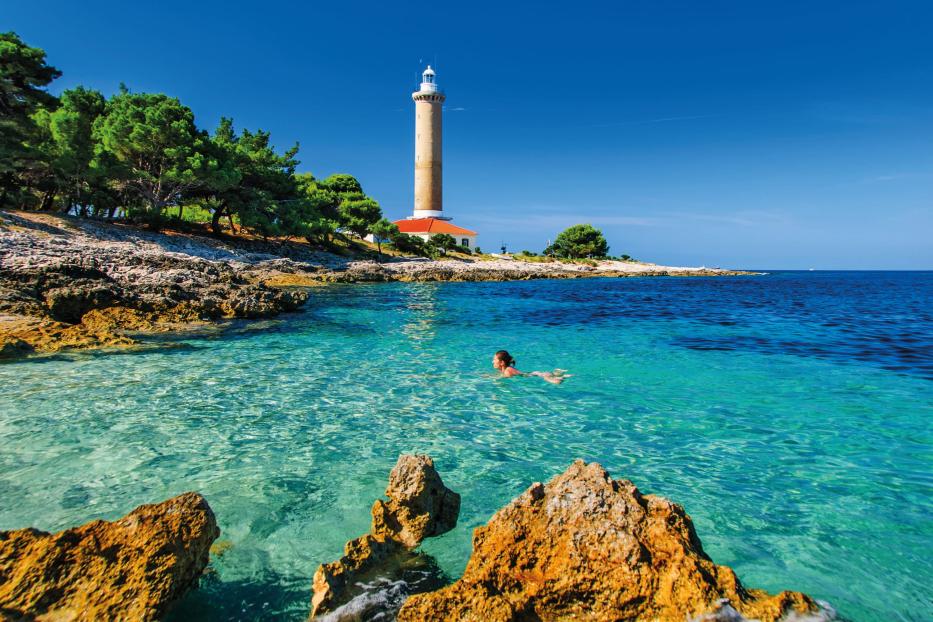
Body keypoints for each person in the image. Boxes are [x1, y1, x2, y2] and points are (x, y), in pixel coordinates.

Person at [492, 350, 569, 385]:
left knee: (557, 382)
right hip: (535, 374)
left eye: (494, 359)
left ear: (502, 362)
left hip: (539, 375)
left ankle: (561, 376)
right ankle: (560, 374)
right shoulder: (506, 369)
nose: (493, 361)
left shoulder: (508, 370)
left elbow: (505, 380)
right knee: (555, 377)